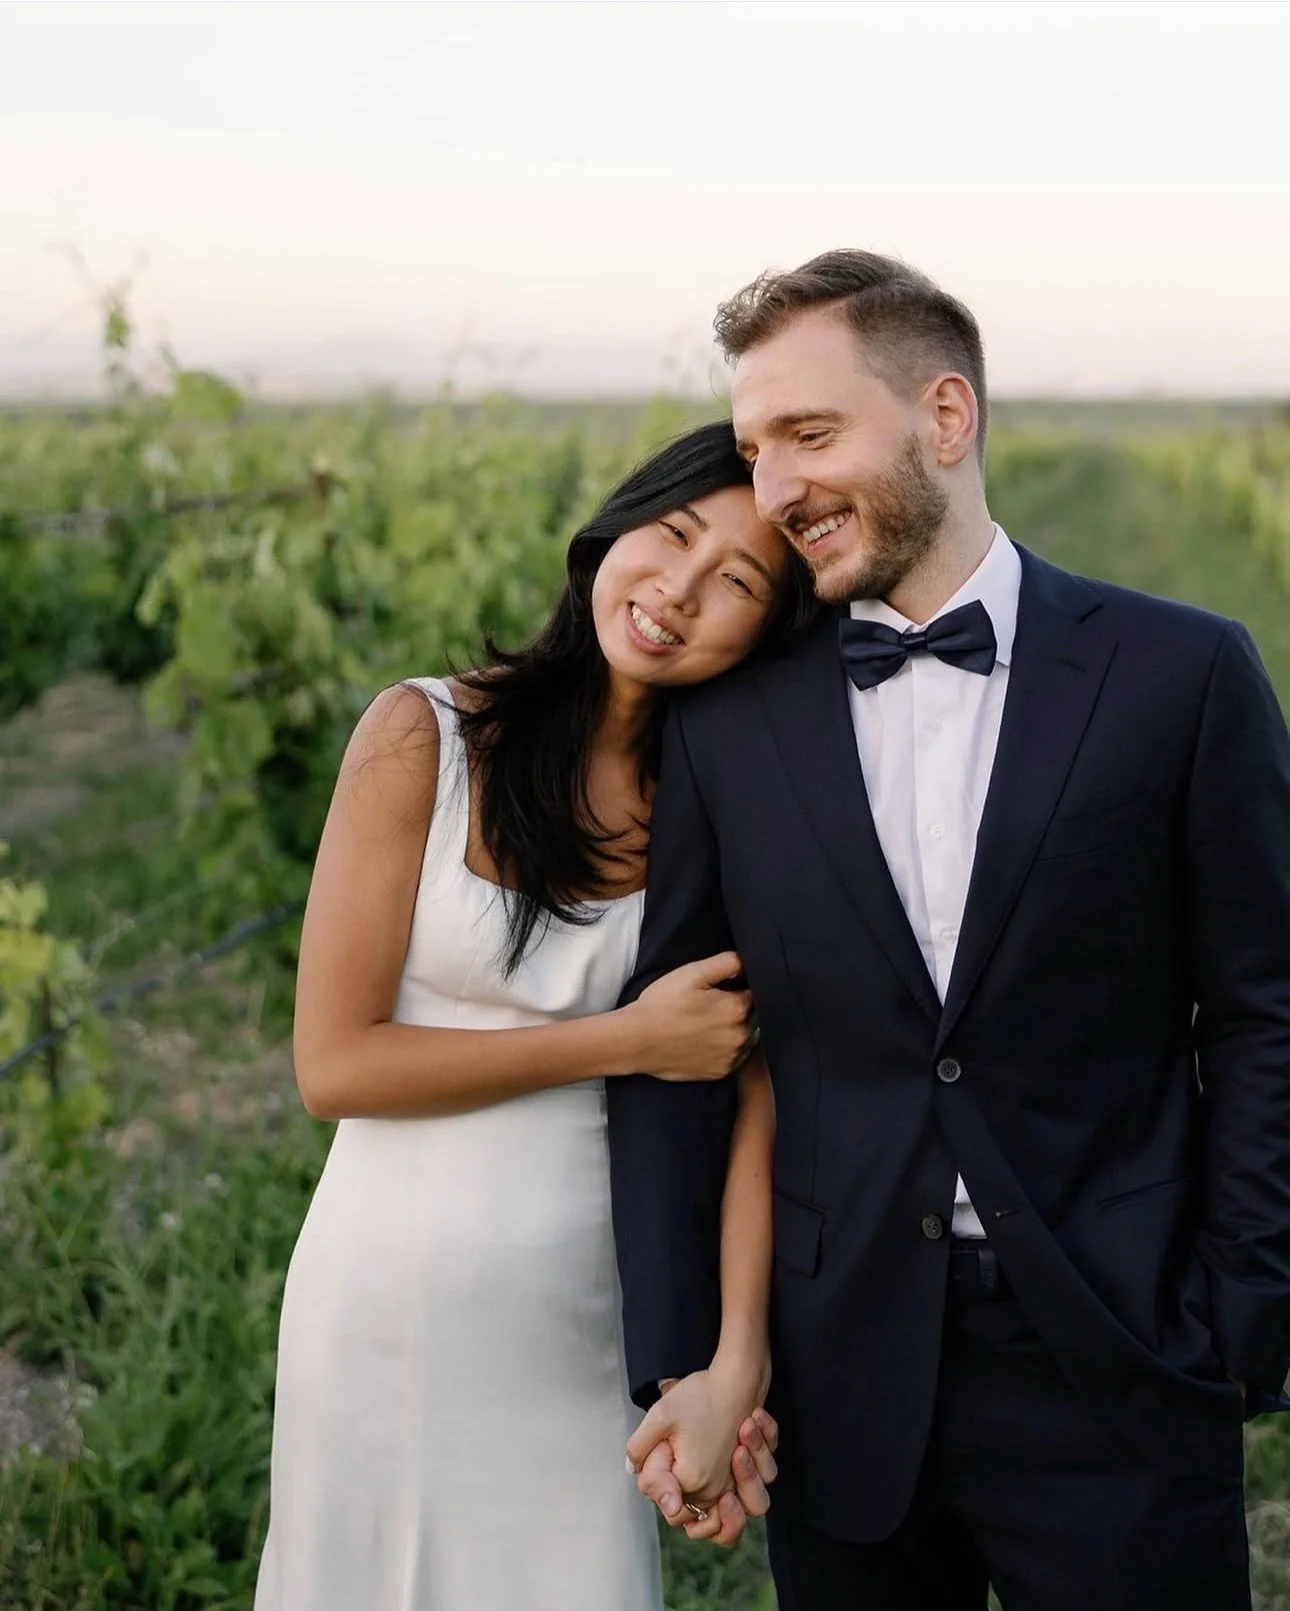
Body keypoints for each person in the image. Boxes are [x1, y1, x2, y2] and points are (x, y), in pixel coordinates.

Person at [611, 250, 1290, 1609]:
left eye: (809, 434)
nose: (775, 488)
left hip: (1124, 1353)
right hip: (834, 1369)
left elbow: (1265, 1012)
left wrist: (1244, 1311)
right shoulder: (728, 720)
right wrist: (688, 1358)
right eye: (753, 450)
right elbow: (683, 1050)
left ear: (945, 415)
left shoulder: (1182, 673)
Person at [253, 420, 814, 1611]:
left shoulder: (728, 815)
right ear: (614, 529)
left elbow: (756, 1094)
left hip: (588, 1317)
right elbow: (334, 1065)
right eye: (673, 534)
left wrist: (734, 1356)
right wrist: (627, 1040)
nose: (679, 590)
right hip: (381, 1300)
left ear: (767, 634)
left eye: (737, 582)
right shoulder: (424, 736)